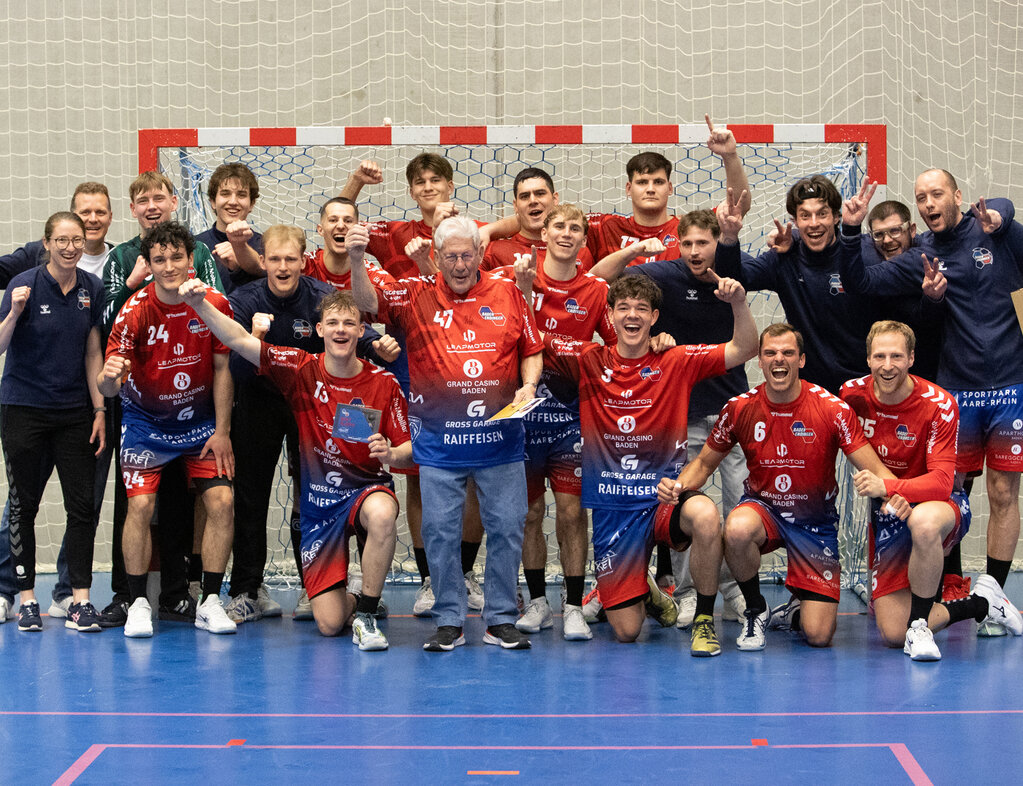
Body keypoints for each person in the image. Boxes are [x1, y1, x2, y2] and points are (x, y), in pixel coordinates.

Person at [836, 169, 1023, 634]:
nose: (929, 203)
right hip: (957, 390)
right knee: (951, 492)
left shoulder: (993, 232)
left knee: (1003, 493)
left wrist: (1003, 214)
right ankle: (946, 587)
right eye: (921, 198)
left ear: (957, 195)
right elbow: (860, 281)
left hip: (1010, 385)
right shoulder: (922, 255)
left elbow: (1003, 208)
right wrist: (851, 231)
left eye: (937, 194)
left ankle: (994, 596)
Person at [348, 214, 542, 651]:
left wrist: (529, 385)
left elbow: (531, 348)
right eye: (450, 256)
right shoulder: (414, 292)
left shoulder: (509, 291)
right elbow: (367, 302)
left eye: (466, 255)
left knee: (508, 528)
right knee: (439, 532)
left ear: (480, 254)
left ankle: (500, 618)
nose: (459, 264)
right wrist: (358, 260)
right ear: (436, 257)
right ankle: (449, 618)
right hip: (438, 444)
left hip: (500, 442)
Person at [182, 281, 411, 649]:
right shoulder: (301, 369)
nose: (340, 330)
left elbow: (408, 449)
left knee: (383, 513)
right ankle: (354, 599)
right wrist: (200, 306)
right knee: (329, 624)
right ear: (320, 330)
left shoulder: (383, 383)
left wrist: (391, 454)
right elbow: (239, 340)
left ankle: (367, 615)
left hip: (365, 491)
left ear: (361, 331)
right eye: (333, 323)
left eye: (349, 324)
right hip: (320, 507)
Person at [547, 273, 758, 651]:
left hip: (664, 498)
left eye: (641, 309)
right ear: (610, 315)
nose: (632, 315)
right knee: (627, 631)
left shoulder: (675, 360)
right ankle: (649, 592)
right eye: (623, 308)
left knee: (706, 516)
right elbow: (528, 336)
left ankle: (704, 619)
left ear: (654, 317)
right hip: (615, 509)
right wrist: (525, 285)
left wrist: (739, 302)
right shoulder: (588, 359)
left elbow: (745, 347)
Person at [344, 154, 514, 614]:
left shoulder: (469, 233)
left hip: (472, 367)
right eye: (418, 182)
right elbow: (341, 220)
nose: (427, 187)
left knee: (476, 479)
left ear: (451, 184)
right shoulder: (393, 232)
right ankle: (429, 579)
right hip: (409, 363)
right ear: (410, 190)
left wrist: (489, 229)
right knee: (421, 474)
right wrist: (357, 182)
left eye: (436, 179)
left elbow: (523, 220)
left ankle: (465, 572)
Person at [674, 324, 895, 651]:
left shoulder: (832, 409)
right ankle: (755, 608)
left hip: (814, 522)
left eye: (788, 353)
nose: (779, 359)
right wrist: (676, 488)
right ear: (760, 362)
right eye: (770, 353)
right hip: (763, 511)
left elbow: (875, 469)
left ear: (801, 360)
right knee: (736, 528)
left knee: (818, 636)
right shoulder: (739, 408)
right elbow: (704, 464)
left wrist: (903, 496)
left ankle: (796, 608)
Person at [224, 224, 399, 623]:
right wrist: (255, 335)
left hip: (314, 404)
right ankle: (247, 589)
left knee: (329, 488)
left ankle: (326, 587)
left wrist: (378, 344)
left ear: (304, 261)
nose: (283, 267)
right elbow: (234, 363)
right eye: (275, 259)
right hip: (259, 402)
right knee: (251, 495)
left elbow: (355, 330)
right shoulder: (244, 299)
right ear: (262, 261)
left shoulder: (321, 296)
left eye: (291, 259)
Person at [589, 202, 750, 627]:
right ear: (678, 245)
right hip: (684, 416)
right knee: (681, 503)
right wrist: (635, 250)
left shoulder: (734, 273)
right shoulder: (662, 274)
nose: (695, 251)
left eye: (703, 243)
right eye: (687, 243)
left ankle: (737, 592)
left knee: (739, 509)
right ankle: (689, 593)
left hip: (732, 413)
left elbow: (746, 346)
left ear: (717, 243)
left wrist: (739, 300)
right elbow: (598, 279)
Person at [839, 320, 1023, 660]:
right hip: (890, 510)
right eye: (879, 356)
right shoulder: (851, 395)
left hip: (942, 504)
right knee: (892, 633)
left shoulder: (939, 403)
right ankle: (983, 604)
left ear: (911, 358)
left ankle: (920, 628)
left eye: (897, 356)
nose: (888, 366)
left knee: (923, 522)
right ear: (868, 360)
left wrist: (887, 486)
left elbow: (941, 482)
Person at [100, 172, 226, 628]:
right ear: (148, 263)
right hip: (145, 422)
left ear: (191, 260)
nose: (169, 266)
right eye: (160, 259)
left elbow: (224, 365)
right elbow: (109, 385)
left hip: (199, 423)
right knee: (139, 506)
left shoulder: (212, 303)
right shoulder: (132, 310)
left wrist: (223, 431)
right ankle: (136, 603)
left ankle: (208, 600)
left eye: (177, 258)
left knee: (221, 503)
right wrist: (107, 381)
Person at [490, 204, 615, 641]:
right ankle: (538, 601)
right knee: (527, 513)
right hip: (522, 416)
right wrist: (525, 292)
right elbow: (505, 333)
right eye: (558, 226)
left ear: (583, 240)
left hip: (570, 417)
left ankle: (574, 606)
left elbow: (617, 349)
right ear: (543, 233)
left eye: (575, 228)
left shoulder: (597, 289)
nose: (566, 233)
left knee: (571, 512)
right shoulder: (513, 277)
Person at [0, 183, 116, 622]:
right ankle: (26, 599)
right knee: (23, 507)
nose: (70, 247)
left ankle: (79, 599)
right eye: (61, 240)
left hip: (75, 414)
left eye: (76, 241)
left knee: (81, 507)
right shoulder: (23, 284)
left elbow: (93, 352)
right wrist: (14, 312)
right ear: (46, 244)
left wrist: (99, 409)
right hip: (23, 410)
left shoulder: (91, 287)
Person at [586, 116, 751, 265]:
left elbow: (736, 207)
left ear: (670, 188)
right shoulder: (604, 227)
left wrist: (730, 156)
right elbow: (569, 219)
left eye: (658, 182)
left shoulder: (690, 227)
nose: (650, 189)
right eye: (642, 182)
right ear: (628, 189)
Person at [480, 167, 593, 272]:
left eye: (540, 194)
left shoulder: (579, 250)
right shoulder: (494, 251)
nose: (533, 201)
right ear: (515, 206)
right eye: (525, 196)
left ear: (555, 199)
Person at [194, 162, 264, 293]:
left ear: (252, 204)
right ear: (213, 202)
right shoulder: (194, 245)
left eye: (241, 195)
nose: (233, 202)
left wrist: (240, 255)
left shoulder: (265, 246)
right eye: (225, 193)